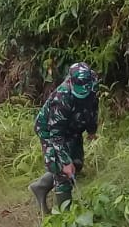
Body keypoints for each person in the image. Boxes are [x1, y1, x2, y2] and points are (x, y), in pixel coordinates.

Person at [30, 62, 100, 213]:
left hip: (73, 128)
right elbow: (56, 135)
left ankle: (41, 187)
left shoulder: (92, 83)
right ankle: (65, 218)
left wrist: (92, 130)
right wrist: (64, 162)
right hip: (50, 131)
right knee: (63, 171)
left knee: (77, 164)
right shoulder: (61, 98)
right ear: (71, 82)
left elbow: (92, 106)